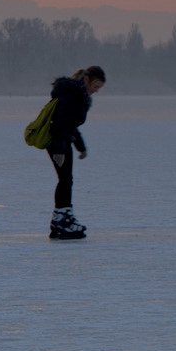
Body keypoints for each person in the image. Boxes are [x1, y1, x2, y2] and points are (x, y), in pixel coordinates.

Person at [46, 65, 106, 240]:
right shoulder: (73, 96)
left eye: (99, 88)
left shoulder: (77, 94)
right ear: (86, 79)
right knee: (65, 179)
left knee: (66, 179)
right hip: (58, 142)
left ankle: (61, 217)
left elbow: (71, 125)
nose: (95, 91)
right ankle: (63, 219)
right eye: (95, 86)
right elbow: (60, 124)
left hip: (62, 141)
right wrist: (59, 150)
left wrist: (81, 146)